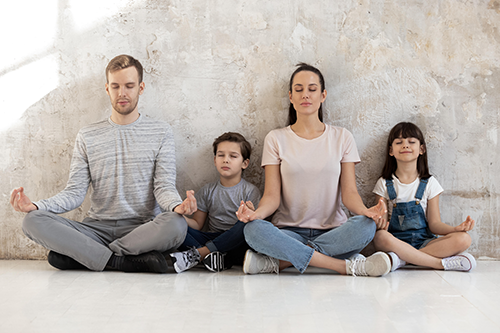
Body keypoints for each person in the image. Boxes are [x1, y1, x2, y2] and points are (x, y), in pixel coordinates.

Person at [9, 54, 195, 273]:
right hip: (95, 229)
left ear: (141, 88)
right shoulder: (88, 135)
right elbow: (74, 193)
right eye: (115, 86)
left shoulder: (161, 132)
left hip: (142, 230)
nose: (122, 93)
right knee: (32, 221)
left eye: (129, 86)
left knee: (177, 223)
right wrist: (37, 206)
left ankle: (92, 256)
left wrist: (177, 206)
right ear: (107, 89)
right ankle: (121, 261)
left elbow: (163, 187)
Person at [236, 63, 391, 277]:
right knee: (253, 230)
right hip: (288, 233)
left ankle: (281, 263)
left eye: (312, 89)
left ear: (323, 94)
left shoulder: (342, 137)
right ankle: (344, 265)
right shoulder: (276, 139)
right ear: (290, 96)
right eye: (298, 90)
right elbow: (271, 196)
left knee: (365, 226)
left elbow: (349, 194)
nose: (305, 95)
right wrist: (255, 215)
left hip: (334, 232)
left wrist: (366, 212)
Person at [371, 122, 476, 272]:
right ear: (391, 151)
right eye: (399, 142)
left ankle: (402, 261)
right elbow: (382, 223)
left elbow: (434, 224)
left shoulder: (430, 184)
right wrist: (379, 223)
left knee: (464, 238)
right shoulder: (383, 184)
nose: (405, 145)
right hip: (395, 243)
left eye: (411, 142)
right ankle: (436, 263)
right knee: (380, 237)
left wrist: (455, 229)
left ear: (422, 149)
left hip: (425, 243)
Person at [169, 132, 261, 273]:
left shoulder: (250, 191)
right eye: (221, 155)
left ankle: (201, 254)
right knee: (177, 228)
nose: (226, 160)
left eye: (233, 156)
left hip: (238, 240)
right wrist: (179, 215)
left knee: (247, 224)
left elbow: (254, 227)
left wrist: (250, 215)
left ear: (245, 163)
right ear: (214, 160)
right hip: (211, 237)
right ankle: (219, 258)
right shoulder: (207, 191)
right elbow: (197, 225)